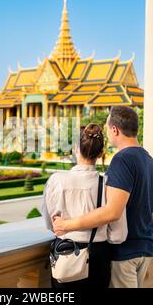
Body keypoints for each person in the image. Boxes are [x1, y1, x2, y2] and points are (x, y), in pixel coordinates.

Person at [53, 107, 153, 288]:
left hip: (126, 252)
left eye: (107, 127)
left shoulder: (123, 159)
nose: (106, 132)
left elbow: (112, 212)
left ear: (115, 129)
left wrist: (67, 225)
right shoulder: (148, 159)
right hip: (145, 246)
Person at [42, 124, 127, 289]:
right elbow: (119, 234)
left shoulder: (56, 181)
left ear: (75, 149)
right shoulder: (108, 184)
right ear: (101, 153)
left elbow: (49, 224)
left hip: (66, 253)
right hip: (98, 256)